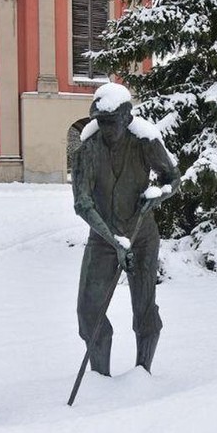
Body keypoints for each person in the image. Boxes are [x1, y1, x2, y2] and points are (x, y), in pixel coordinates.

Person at [72, 82, 180, 376]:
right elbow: (82, 204)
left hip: (142, 235)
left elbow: (172, 177)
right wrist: (114, 241)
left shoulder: (144, 141)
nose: (106, 128)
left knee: (144, 308)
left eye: (112, 122)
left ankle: (142, 375)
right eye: (101, 122)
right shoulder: (87, 151)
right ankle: (99, 377)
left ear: (126, 118)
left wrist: (158, 194)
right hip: (103, 238)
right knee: (88, 310)